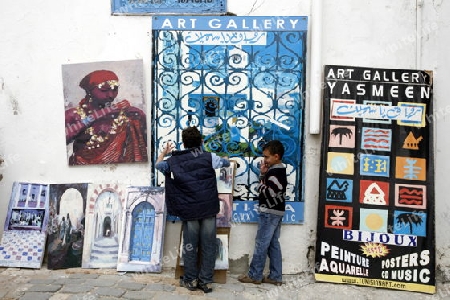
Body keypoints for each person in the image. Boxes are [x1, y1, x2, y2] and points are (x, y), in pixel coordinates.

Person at [155, 126, 230, 293]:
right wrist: (223, 157)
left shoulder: (174, 161)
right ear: (201, 142)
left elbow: (158, 165)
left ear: (184, 143)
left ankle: (190, 280)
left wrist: (166, 152)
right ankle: (206, 282)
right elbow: (225, 162)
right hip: (208, 208)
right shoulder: (209, 157)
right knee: (209, 245)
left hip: (190, 211)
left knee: (190, 245)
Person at [65, 70, 147, 165]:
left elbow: (148, 142)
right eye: (104, 90)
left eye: (115, 89)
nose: (111, 95)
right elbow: (61, 140)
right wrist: (106, 112)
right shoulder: (74, 114)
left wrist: (139, 117)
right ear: (89, 91)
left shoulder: (128, 113)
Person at [238, 140, 287, 286]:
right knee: (273, 244)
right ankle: (276, 276)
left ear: (276, 156)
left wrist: (261, 181)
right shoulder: (278, 170)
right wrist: (263, 175)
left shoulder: (275, 172)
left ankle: (255, 275)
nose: (264, 160)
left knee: (261, 243)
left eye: (267, 157)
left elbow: (270, 192)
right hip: (276, 212)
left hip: (269, 212)